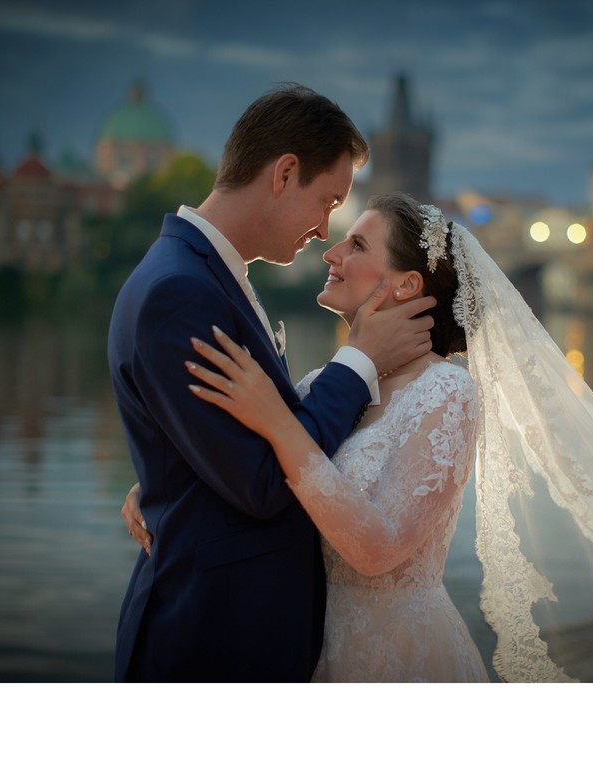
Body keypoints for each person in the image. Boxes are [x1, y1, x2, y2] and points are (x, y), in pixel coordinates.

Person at [125, 192, 593, 683]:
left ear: (403, 286)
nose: (331, 248)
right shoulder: (338, 382)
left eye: (357, 244)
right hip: (312, 650)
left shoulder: (447, 392)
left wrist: (274, 427)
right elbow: (260, 463)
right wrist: (170, 486)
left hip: (392, 662)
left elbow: (372, 543)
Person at [107, 86, 436, 682]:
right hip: (210, 643)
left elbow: (232, 444)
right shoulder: (180, 292)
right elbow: (263, 481)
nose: (325, 230)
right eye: (328, 200)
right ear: (285, 173)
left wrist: (173, 474)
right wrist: (357, 360)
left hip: (237, 634)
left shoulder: (206, 276)